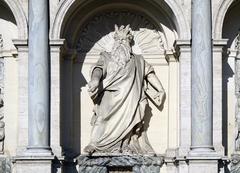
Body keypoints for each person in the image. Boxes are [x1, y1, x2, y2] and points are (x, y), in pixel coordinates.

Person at [84, 25, 165, 155]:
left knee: (130, 119)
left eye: (124, 40)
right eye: (119, 40)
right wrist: (95, 80)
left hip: (131, 97)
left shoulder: (138, 60)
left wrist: (160, 89)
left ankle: (126, 144)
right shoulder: (106, 56)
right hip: (109, 97)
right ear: (115, 42)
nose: (121, 43)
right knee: (102, 118)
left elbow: (149, 74)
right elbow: (98, 69)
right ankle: (95, 143)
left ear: (129, 43)